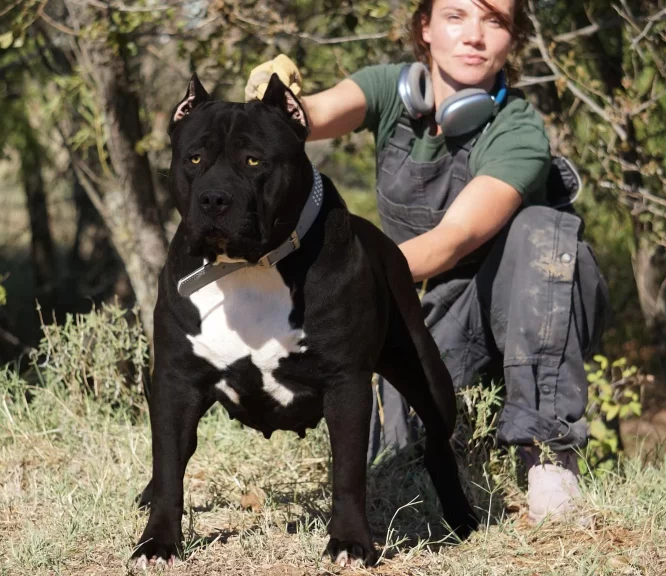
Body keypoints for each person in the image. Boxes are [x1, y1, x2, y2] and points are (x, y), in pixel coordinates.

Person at [245, 0, 609, 524]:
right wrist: (279, 105)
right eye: (457, 16)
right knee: (401, 455)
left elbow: (451, 241)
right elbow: (313, 117)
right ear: (426, 28)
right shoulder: (388, 91)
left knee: (544, 227)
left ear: (513, 39)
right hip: (425, 322)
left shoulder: (518, 131)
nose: (475, 37)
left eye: (496, 21)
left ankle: (548, 458)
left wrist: (335, 276)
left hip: (508, 319)